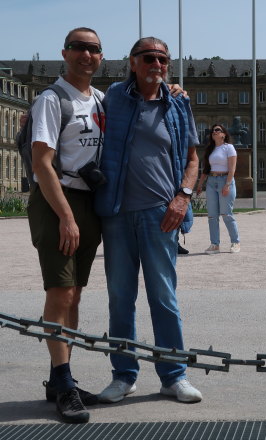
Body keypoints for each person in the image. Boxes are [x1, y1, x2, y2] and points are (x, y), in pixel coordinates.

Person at [94, 37, 202, 404]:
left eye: (163, 59)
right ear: (133, 62)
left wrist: (182, 198)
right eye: (149, 58)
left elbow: (192, 159)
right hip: (119, 212)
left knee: (164, 297)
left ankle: (174, 376)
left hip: (162, 213)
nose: (156, 63)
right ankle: (124, 376)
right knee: (120, 298)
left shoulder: (178, 103)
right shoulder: (112, 97)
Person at [28, 27, 104, 423]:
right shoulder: (51, 99)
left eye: (92, 49)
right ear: (65, 52)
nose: (85, 55)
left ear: (101, 57)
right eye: (78, 48)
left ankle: (63, 380)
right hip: (58, 202)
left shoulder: (101, 100)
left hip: (88, 202)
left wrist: (173, 90)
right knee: (59, 292)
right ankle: (63, 380)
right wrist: (67, 217)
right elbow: (42, 163)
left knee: (74, 295)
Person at [195, 124, 240, 254]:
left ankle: (235, 242)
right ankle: (215, 244)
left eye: (217, 130)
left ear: (223, 134)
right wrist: (200, 184)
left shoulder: (229, 148)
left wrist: (227, 184)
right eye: (212, 130)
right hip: (211, 182)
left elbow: (232, 169)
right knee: (212, 216)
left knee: (226, 214)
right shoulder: (210, 149)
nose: (214, 132)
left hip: (224, 180)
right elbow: (206, 170)